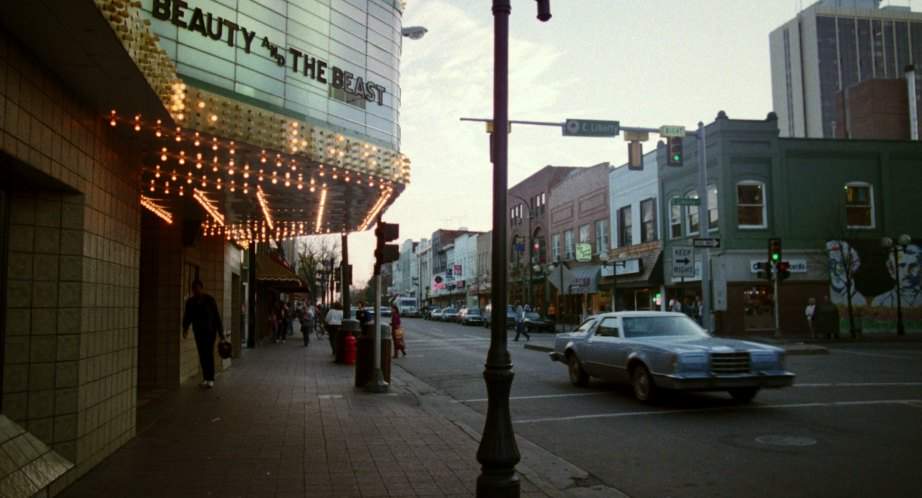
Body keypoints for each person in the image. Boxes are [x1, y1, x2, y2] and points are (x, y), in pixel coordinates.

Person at [182, 279, 224, 388]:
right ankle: (206, 378)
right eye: (194, 288)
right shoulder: (190, 302)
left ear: (201, 288)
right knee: (202, 354)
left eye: (197, 288)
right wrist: (185, 328)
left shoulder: (209, 300)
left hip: (210, 332)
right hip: (198, 331)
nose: (196, 290)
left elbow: (216, 317)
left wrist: (221, 334)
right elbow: (187, 317)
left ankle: (210, 378)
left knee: (208, 353)